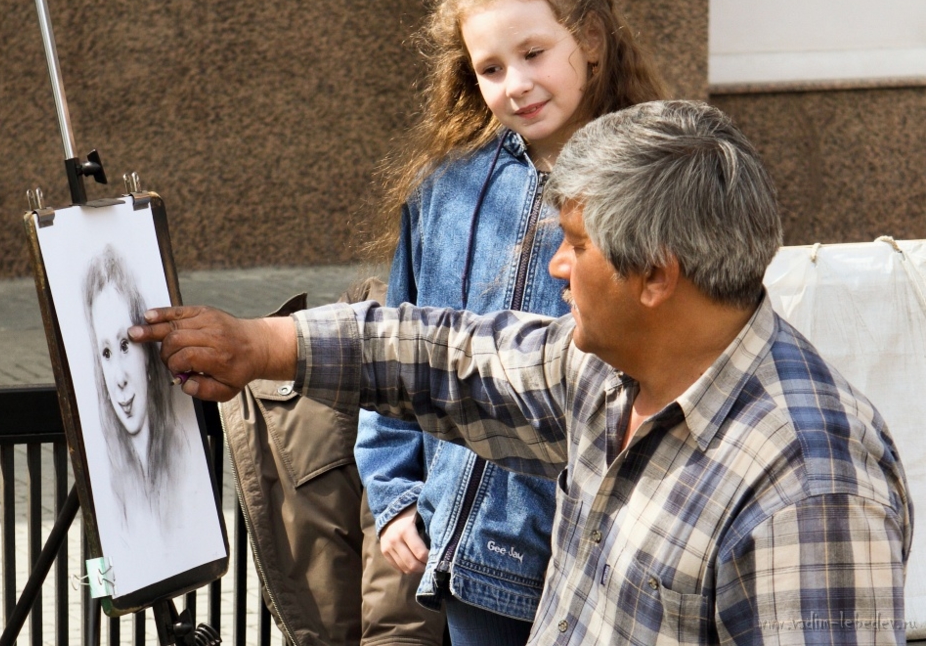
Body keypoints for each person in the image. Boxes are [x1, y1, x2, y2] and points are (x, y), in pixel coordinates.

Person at [133, 100, 912, 644]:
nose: (556, 266)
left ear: (655, 276)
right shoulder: (610, 371)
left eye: (576, 243)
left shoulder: (811, 487)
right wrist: (260, 345)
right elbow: (450, 358)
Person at [354, 0, 665, 643]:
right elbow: (395, 344)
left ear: (588, 39)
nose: (514, 84)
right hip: (471, 562)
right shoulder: (447, 188)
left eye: (533, 54)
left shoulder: (656, 183)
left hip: (608, 559)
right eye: (490, 67)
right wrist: (396, 489)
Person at [83, 244, 188, 531]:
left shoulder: (182, 462)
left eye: (125, 345)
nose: (119, 378)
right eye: (106, 354)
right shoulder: (107, 480)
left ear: (148, 352)